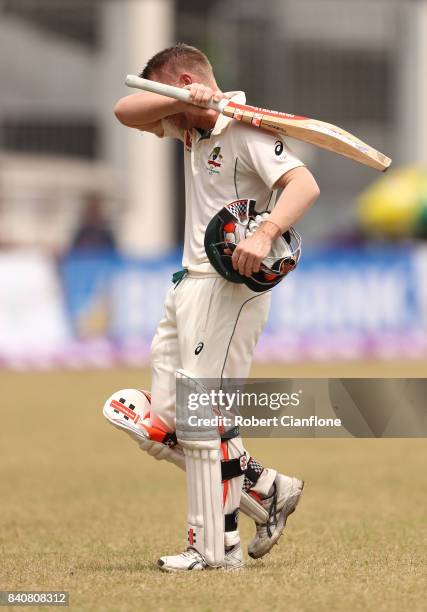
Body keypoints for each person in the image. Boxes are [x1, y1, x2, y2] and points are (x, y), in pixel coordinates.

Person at [111, 43, 320, 572]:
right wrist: (183, 101)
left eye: (171, 99)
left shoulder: (246, 130)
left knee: (203, 417)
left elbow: (304, 184)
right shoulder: (190, 128)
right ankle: (265, 489)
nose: (167, 116)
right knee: (163, 420)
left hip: (229, 286)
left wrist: (267, 231)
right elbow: (125, 111)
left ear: (183, 80)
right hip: (186, 282)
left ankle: (213, 547)